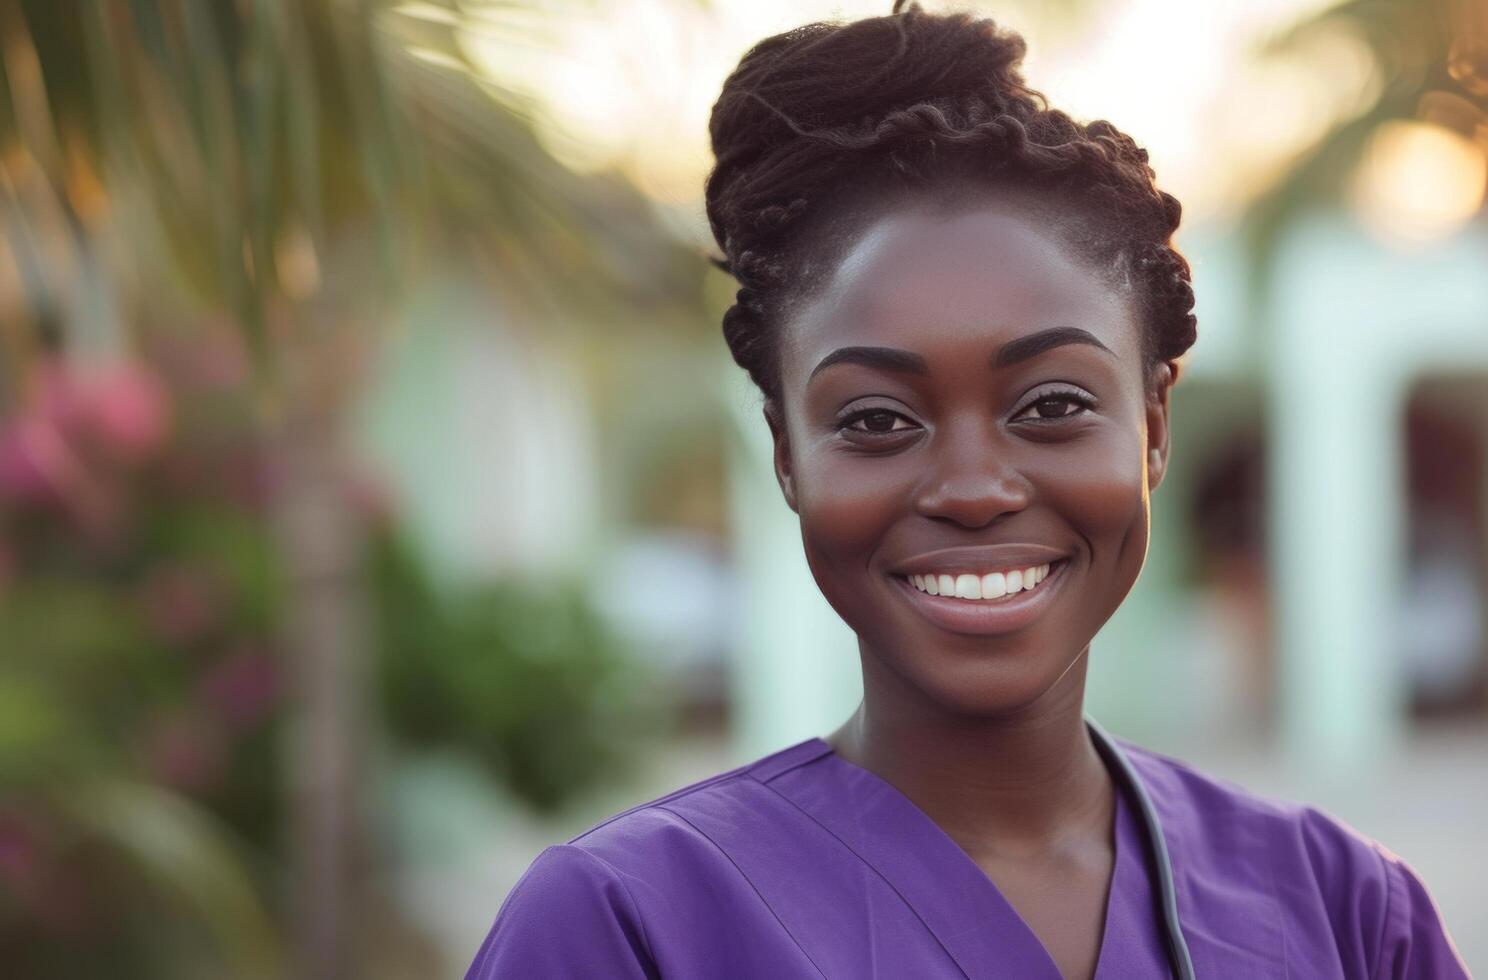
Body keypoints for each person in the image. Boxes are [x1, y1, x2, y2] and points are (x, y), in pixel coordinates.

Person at [466, 3, 1471, 977]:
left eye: (1052, 402)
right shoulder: (629, 925)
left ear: (1154, 427)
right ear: (786, 452)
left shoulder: (1343, 913)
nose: (975, 487)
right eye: (874, 419)